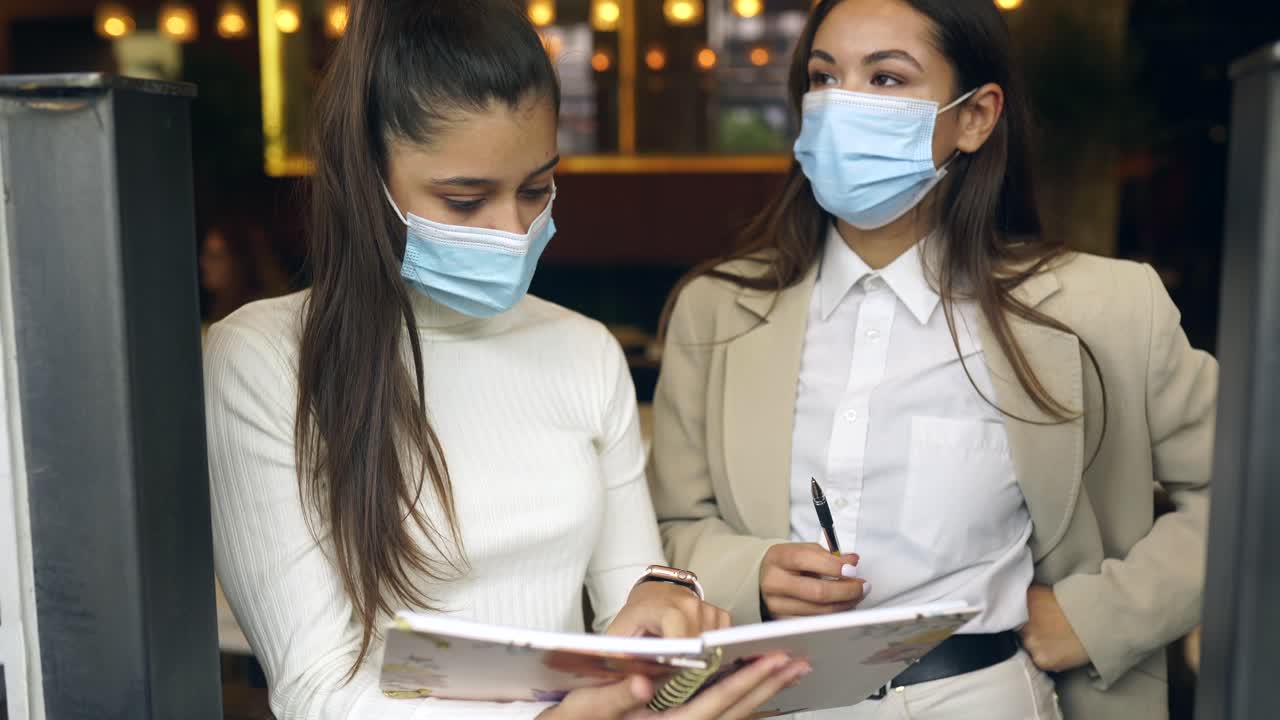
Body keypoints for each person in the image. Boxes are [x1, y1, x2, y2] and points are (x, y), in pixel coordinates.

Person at [203, 1, 808, 718]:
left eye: (535, 189)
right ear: (367, 177)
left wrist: (665, 623)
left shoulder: (585, 351)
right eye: (465, 201)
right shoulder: (264, 360)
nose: (513, 232)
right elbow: (319, 692)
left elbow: (632, 631)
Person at [647, 1, 1213, 719]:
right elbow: (663, 527)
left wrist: (1101, 614)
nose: (842, 103)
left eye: (886, 78)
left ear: (975, 117)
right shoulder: (717, 310)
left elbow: (1249, 490)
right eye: (823, 77)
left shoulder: (1105, 308)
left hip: (984, 697)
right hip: (768, 699)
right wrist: (749, 573)